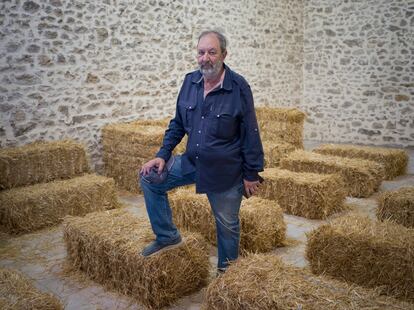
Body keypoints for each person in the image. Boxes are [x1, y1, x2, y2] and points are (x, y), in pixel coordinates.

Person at [139, 30, 264, 274]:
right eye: (201, 52)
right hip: (192, 161)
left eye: (212, 52)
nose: (205, 58)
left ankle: (226, 274)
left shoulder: (238, 87)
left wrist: (251, 173)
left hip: (224, 170)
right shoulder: (190, 82)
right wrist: (162, 155)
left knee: (227, 225)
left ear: (224, 54)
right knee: (149, 179)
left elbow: (250, 131)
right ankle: (167, 236)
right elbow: (177, 124)